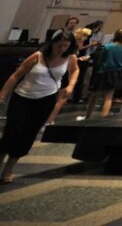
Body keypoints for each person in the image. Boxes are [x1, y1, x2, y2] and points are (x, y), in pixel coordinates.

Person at [0, 30, 79, 183]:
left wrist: (71, 85)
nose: (62, 49)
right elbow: (16, 75)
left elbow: (75, 70)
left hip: (46, 99)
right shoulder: (37, 56)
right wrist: (2, 94)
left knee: (28, 134)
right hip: (22, 97)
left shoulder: (70, 58)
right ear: (52, 43)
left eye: (66, 46)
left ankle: (8, 169)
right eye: (59, 45)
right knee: (12, 131)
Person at [83, 29, 122, 119]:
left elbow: (100, 58)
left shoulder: (108, 46)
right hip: (117, 72)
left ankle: (87, 116)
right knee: (109, 97)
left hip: (103, 71)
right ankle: (104, 117)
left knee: (95, 95)